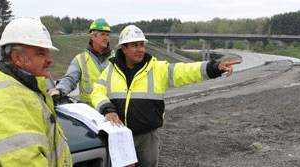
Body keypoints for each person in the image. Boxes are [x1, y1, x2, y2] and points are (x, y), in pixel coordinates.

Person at [91, 25, 241, 167]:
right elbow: (97, 91)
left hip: (147, 137)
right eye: (134, 45)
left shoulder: (157, 68)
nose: (140, 49)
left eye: (141, 45)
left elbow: (185, 71)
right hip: (120, 136)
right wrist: (108, 109)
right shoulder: (111, 70)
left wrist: (214, 68)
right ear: (123, 48)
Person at [0, 17, 72, 166]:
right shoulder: (10, 101)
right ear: (17, 57)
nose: (50, 59)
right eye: (41, 53)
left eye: (47, 52)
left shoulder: (25, 88)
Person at [49, 18, 114, 105]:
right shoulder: (81, 60)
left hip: (112, 111)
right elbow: (70, 79)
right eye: (102, 34)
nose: (106, 38)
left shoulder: (116, 59)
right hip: (89, 113)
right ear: (92, 36)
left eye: (107, 35)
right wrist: (59, 90)